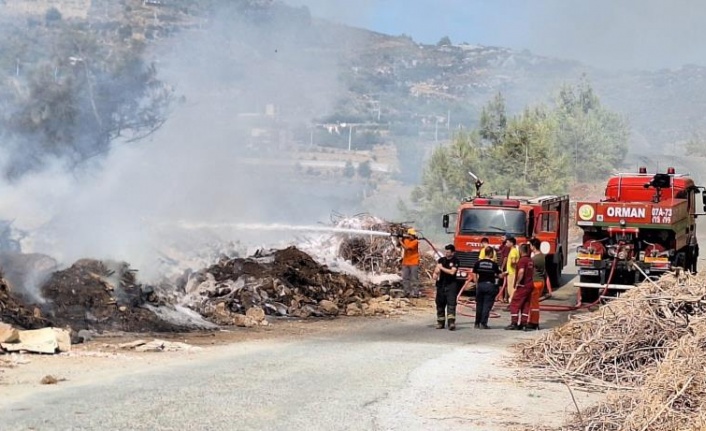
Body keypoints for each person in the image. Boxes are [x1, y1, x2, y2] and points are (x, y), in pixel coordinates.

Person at [471, 246, 503, 329]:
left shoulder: (478, 263)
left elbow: (474, 274)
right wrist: (504, 274)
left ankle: (476, 323)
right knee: (487, 305)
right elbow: (500, 275)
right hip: (490, 286)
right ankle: (483, 323)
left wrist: (476, 283)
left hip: (480, 285)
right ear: (491, 253)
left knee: (479, 305)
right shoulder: (494, 264)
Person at [505, 243, 534, 331]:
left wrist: (517, 283)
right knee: (526, 304)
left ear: (521, 251)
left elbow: (521, 272)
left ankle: (514, 323)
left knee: (515, 303)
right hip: (530, 285)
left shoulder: (522, 261)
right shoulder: (530, 260)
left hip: (522, 286)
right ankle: (524, 323)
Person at [433, 244, 460, 330]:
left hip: (451, 285)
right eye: (446, 251)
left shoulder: (455, 261)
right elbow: (437, 270)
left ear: (453, 253)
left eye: (448, 252)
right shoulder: (441, 260)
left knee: (451, 304)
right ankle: (440, 322)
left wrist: (442, 268)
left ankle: (451, 323)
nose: (447, 253)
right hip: (441, 285)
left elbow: (452, 272)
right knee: (440, 304)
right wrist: (435, 273)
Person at [527, 239, 546, 330]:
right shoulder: (542, 256)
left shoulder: (535, 259)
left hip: (536, 282)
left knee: (534, 304)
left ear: (533, 246)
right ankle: (532, 321)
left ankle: (534, 322)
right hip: (540, 281)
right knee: (534, 303)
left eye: (530, 245)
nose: (529, 247)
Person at [396, 228, 420, 297]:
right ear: (408, 235)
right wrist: (399, 238)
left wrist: (401, 241)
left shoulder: (415, 241)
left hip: (414, 262)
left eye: (413, 235)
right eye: (411, 235)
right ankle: (407, 292)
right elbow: (398, 245)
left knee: (414, 278)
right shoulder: (406, 240)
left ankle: (416, 293)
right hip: (405, 262)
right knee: (405, 278)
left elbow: (407, 248)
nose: (413, 236)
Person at [504, 237, 520, 302]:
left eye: (507, 242)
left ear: (511, 243)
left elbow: (513, 262)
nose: (506, 244)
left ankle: (512, 303)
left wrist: (512, 266)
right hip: (513, 272)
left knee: (511, 290)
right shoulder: (515, 250)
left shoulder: (513, 251)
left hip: (511, 273)